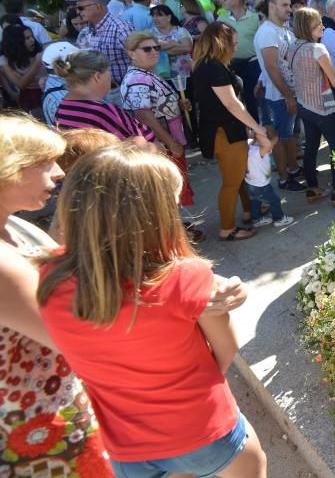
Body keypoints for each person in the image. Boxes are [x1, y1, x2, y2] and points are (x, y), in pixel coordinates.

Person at [37, 143, 268, 478]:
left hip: (127, 448)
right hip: (203, 430)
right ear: (151, 216)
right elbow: (226, 349)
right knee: (252, 464)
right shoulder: (187, 276)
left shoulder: (50, 276)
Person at [0, 114, 115, 476]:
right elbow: (76, 335)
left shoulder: (12, 224)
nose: (59, 172)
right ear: (9, 169)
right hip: (46, 426)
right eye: (45, 163)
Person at [192, 22, 269, 241]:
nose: (236, 48)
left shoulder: (206, 64)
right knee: (232, 182)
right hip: (224, 132)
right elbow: (232, 104)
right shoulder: (213, 67)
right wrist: (258, 128)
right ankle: (226, 228)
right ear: (220, 44)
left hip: (224, 130)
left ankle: (248, 210)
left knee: (237, 175)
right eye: (233, 44)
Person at [120, 31, 195, 206]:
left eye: (156, 48)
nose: (154, 52)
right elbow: (143, 115)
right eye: (147, 49)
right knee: (169, 190)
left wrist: (177, 104)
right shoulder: (138, 78)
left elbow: (153, 105)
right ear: (131, 53)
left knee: (171, 189)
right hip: (160, 144)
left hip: (164, 140)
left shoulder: (145, 74)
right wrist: (170, 142)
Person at [289, 7, 335, 205]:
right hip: (324, 107)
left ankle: (312, 188)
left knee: (311, 146)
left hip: (304, 105)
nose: (323, 26)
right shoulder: (317, 49)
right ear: (307, 27)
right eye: (318, 24)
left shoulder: (293, 47)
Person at [254, 0, 304, 192]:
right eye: (284, 5)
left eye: (289, 5)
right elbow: (271, 66)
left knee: (288, 134)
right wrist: (287, 95)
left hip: (287, 93)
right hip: (280, 95)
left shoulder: (282, 29)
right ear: (272, 6)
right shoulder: (267, 32)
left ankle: (292, 169)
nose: (289, 9)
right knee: (282, 137)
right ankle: (284, 178)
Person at [52, 50, 156, 142]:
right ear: (97, 76)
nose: (110, 75)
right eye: (108, 70)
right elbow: (146, 141)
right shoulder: (102, 112)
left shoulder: (62, 107)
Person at [73, 0, 134, 92]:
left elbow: (139, 59)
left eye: (81, 8)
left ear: (97, 6)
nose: (78, 12)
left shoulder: (120, 28)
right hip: (96, 92)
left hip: (120, 91)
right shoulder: (85, 32)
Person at [220, 0, 262, 119]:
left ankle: (255, 128)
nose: (223, 1)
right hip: (230, 64)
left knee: (252, 98)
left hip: (252, 63)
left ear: (236, 1)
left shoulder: (255, 18)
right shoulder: (222, 18)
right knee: (234, 98)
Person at [245, 126, 294, 228]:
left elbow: (258, 138)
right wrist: (273, 137)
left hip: (250, 183)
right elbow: (271, 143)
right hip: (261, 185)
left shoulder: (250, 145)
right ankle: (279, 219)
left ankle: (256, 219)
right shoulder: (260, 151)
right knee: (275, 200)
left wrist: (257, 133)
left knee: (255, 201)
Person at [1, 21, 45, 114]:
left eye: (32, 36)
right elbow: (21, 84)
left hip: (48, 93)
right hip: (30, 98)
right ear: (16, 41)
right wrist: (36, 64)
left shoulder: (40, 53)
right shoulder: (5, 60)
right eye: (27, 38)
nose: (32, 40)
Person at [150, 3, 194, 79]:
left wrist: (162, 50)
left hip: (183, 73)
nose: (155, 18)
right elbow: (152, 50)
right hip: (161, 74)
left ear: (169, 17)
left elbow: (187, 48)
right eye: (153, 15)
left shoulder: (180, 31)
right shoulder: (150, 33)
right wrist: (174, 44)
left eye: (159, 15)